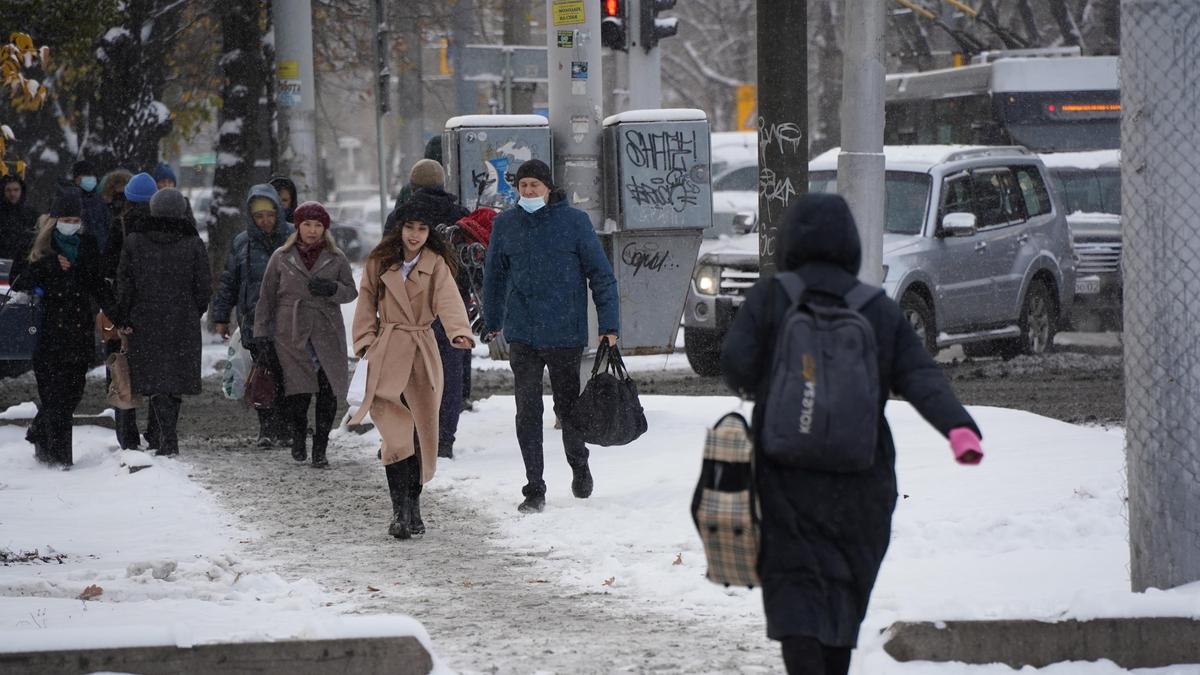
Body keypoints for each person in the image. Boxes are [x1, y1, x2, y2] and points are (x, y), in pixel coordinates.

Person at [719, 193, 985, 675]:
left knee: (793, 580)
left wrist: (777, 386)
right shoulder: (877, 308)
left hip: (784, 472)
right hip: (861, 473)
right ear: (850, 243)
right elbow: (921, 375)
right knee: (843, 581)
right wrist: (959, 430)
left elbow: (736, 366)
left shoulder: (771, 296)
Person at [482, 159, 620, 514]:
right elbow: (494, 276)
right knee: (527, 410)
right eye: (523, 186)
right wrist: (492, 320)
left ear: (548, 188)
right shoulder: (506, 224)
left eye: (535, 186)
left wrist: (609, 326)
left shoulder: (573, 223)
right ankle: (534, 488)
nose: (528, 192)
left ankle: (578, 463)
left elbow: (601, 276)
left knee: (567, 407)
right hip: (523, 333)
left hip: (563, 331)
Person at [348, 195, 474, 539]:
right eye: (409, 227)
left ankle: (414, 506)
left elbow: (448, 300)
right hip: (387, 350)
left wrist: (459, 332)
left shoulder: (435, 264)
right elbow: (366, 303)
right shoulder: (379, 261)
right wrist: (364, 341)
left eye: (421, 228)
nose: (415, 235)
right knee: (393, 436)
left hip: (421, 351)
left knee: (420, 434)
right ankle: (398, 512)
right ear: (399, 229)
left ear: (429, 232)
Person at [12, 187, 114, 468]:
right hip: (47, 332)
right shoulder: (37, 246)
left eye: (75, 218)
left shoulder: (89, 245)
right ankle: (58, 461)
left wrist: (117, 314)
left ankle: (40, 433)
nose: (72, 224)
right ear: (54, 219)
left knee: (72, 393)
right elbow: (19, 281)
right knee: (54, 396)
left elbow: (97, 283)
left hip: (78, 331)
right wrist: (49, 266)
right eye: (66, 218)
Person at [254, 201, 356, 468]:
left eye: (318, 225)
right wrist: (262, 334)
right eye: (307, 224)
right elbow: (266, 299)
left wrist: (331, 288)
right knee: (297, 394)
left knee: (328, 391)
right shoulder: (281, 257)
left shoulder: (336, 257)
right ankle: (299, 434)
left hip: (327, 330)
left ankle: (320, 449)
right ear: (297, 227)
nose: (312, 231)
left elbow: (351, 291)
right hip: (291, 331)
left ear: (325, 229)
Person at [114, 188, 210, 457]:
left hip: (145, 319)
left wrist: (126, 315)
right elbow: (203, 285)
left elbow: (125, 283)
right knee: (174, 379)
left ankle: (162, 435)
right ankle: (166, 434)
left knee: (154, 377)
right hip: (182, 320)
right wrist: (194, 310)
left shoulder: (135, 241)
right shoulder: (192, 242)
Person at [211, 184, 295, 446]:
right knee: (264, 374)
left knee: (290, 376)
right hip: (256, 322)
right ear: (251, 216)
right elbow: (229, 282)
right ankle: (267, 428)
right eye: (259, 216)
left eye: (270, 215)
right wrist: (221, 316)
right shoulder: (242, 243)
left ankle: (289, 427)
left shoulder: (293, 237)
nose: (265, 221)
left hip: (290, 320)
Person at [101, 171, 158, 450]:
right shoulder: (167, 227)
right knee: (159, 374)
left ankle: (127, 436)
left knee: (122, 371)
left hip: (123, 309)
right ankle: (159, 431)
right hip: (158, 310)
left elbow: (107, 270)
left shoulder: (120, 226)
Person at [383, 159, 468, 236]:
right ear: (442, 186)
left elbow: (386, 251)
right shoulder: (461, 215)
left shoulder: (400, 216)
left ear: (412, 189)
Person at [0, 173, 38, 282]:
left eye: (16, 190)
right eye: (9, 190)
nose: (12, 194)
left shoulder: (31, 213)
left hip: (22, 265)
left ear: (22, 191)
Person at [71, 160, 112, 253]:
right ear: (77, 179)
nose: (91, 178)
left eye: (92, 175)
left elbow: (107, 226)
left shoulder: (100, 199)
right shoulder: (71, 200)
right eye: (86, 175)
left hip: (102, 253)